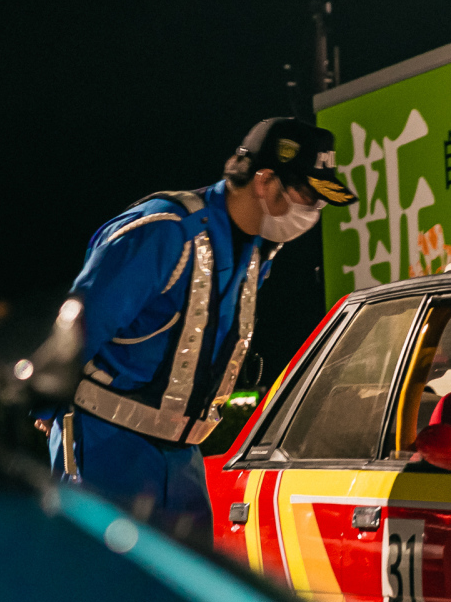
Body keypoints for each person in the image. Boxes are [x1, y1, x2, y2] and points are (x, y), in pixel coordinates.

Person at [35, 118, 356, 547]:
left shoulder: (258, 251)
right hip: (107, 444)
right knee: (100, 580)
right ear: (264, 182)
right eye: (308, 195)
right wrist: (44, 406)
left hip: (182, 455)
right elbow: (75, 331)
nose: (313, 210)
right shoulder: (165, 231)